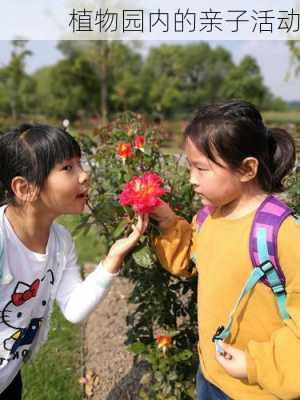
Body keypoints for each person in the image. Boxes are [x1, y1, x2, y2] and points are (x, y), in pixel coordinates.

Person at [150, 100, 299, 400]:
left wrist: (257, 364)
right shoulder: (209, 218)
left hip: (260, 387)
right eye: (189, 166)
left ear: (247, 169)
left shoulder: (279, 232)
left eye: (201, 169)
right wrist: (168, 223)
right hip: (211, 375)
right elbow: (190, 259)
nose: (191, 179)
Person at [0, 124, 148, 399]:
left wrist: (112, 260)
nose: (84, 175)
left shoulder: (60, 242)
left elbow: (73, 308)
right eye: (68, 168)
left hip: (8, 377)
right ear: (25, 188)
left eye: (80, 163)